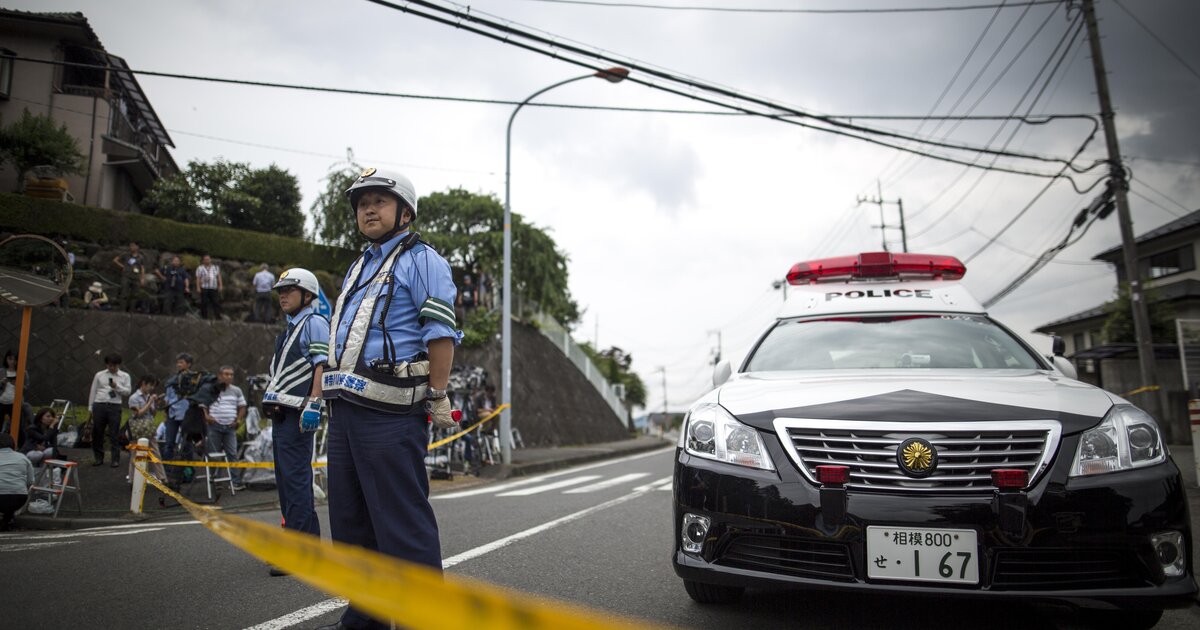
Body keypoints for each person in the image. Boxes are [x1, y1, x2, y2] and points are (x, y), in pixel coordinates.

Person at [317, 167, 462, 630]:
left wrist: (437, 394)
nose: (368, 210)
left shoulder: (422, 259)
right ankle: (366, 618)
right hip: (345, 413)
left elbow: (440, 333)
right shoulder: (360, 263)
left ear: (404, 211)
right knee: (351, 524)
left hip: (391, 413)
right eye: (362, 204)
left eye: (379, 201)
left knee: (401, 523)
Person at [262, 267, 330, 575]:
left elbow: (322, 364)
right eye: (280, 291)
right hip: (283, 414)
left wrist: (314, 402)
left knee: (296, 482)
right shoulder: (291, 328)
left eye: (289, 290)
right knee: (289, 483)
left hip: (298, 415)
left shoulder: (314, 322)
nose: (283, 295)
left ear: (307, 294)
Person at [204, 366, 246, 489]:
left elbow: (242, 406)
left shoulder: (236, 390)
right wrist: (207, 416)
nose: (229, 377)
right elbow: (203, 404)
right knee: (214, 454)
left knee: (232, 453)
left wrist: (238, 420)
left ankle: (236, 481)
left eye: (231, 374)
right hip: (214, 426)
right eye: (226, 374)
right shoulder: (212, 389)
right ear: (220, 375)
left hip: (230, 427)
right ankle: (215, 481)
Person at [87, 353, 132, 467]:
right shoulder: (99, 375)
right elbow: (93, 391)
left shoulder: (125, 376)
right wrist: (90, 407)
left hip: (114, 405)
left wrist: (116, 386)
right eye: (110, 365)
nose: (112, 367)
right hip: (99, 404)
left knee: (114, 433)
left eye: (114, 365)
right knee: (97, 432)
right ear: (106, 364)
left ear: (118, 365)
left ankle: (115, 459)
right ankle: (98, 458)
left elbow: (127, 392)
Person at [127, 375, 166, 482]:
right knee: (135, 455)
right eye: (150, 385)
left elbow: (153, 414)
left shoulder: (149, 396)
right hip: (137, 428)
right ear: (143, 383)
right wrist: (149, 402)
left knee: (155, 453)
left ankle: (163, 478)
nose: (152, 388)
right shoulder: (133, 398)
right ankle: (132, 479)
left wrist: (156, 404)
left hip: (149, 427)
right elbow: (137, 413)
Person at [163, 353, 198, 463]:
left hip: (186, 414)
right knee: (169, 442)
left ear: (189, 364)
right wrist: (166, 412)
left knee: (187, 443)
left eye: (181, 362)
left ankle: (188, 470)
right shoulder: (172, 379)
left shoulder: (195, 379)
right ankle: (167, 470)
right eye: (177, 362)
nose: (178, 365)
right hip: (172, 414)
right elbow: (167, 398)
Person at [0, 433, 34, 531]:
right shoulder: (23, 457)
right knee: (9, 502)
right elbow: (30, 481)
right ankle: (7, 520)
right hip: (19, 497)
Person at [0, 349, 34, 448]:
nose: (12, 362)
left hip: (16, 402)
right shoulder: (1, 371)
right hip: (2, 401)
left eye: (15, 360)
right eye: (10, 359)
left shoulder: (22, 372)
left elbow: (27, 388)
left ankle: (19, 446)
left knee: (18, 426)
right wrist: (2, 382)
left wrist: (18, 384)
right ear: (6, 359)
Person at [112, 242, 146, 313]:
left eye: (133, 246)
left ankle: (132, 310)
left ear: (137, 247)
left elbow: (142, 268)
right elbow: (115, 260)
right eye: (131, 246)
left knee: (135, 294)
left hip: (136, 277)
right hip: (126, 276)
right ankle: (122, 309)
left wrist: (142, 278)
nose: (132, 247)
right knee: (124, 293)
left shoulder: (141, 257)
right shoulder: (126, 254)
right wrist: (123, 266)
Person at [195, 254, 223, 320]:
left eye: (208, 259)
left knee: (216, 302)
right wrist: (198, 287)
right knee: (204, 302)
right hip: (204, 287)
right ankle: (204, 317)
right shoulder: (200, 268)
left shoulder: (216, 267)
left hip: (213, 287)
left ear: (210, 260)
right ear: (203, 261)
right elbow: (198, 278)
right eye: (205, 259)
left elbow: (219, 277)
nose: (207, 261)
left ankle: (218, 317)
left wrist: (221, 285)